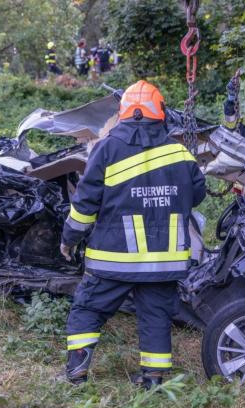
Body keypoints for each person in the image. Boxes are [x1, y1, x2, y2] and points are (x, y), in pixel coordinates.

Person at [60, 80, 206, 388]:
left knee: (88, 308)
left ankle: (77, 372)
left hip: (114, 258)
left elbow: (85, 203)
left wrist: (69, 238)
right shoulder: (179, 153)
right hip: (162, 261)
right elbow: (197, 195)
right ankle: (152, 378)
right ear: (160, 113)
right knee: (156, 315)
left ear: (124, 112)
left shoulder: (106, 149)